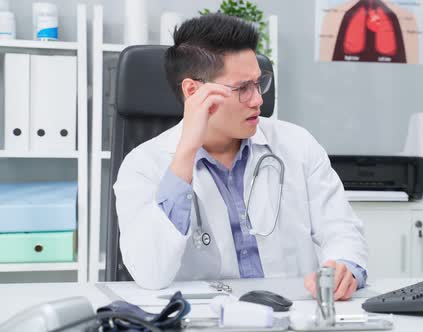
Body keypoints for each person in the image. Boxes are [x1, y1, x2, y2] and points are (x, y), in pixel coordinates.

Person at [113, 14, 368, 301]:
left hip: (296, 312)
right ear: (193, 91)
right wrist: (186, 154)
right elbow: (151, 273)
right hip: (206, 320)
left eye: (259, 84)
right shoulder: (143, 166)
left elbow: (341, 230)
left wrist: (345, 266)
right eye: (242, 88)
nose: (258, 99)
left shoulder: (298, 145)